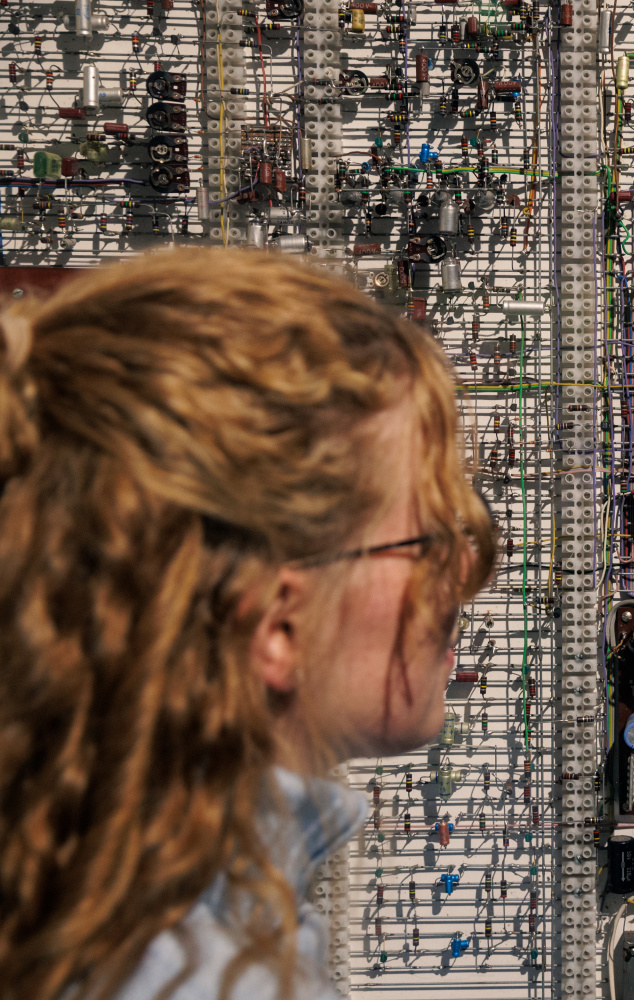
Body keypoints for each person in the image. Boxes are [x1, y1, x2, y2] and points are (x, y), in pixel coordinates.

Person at [0, 250, 495, 1000]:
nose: (465, 574)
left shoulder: (53, 879)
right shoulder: (217, 977)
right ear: (278, 622)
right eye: (427, 541)